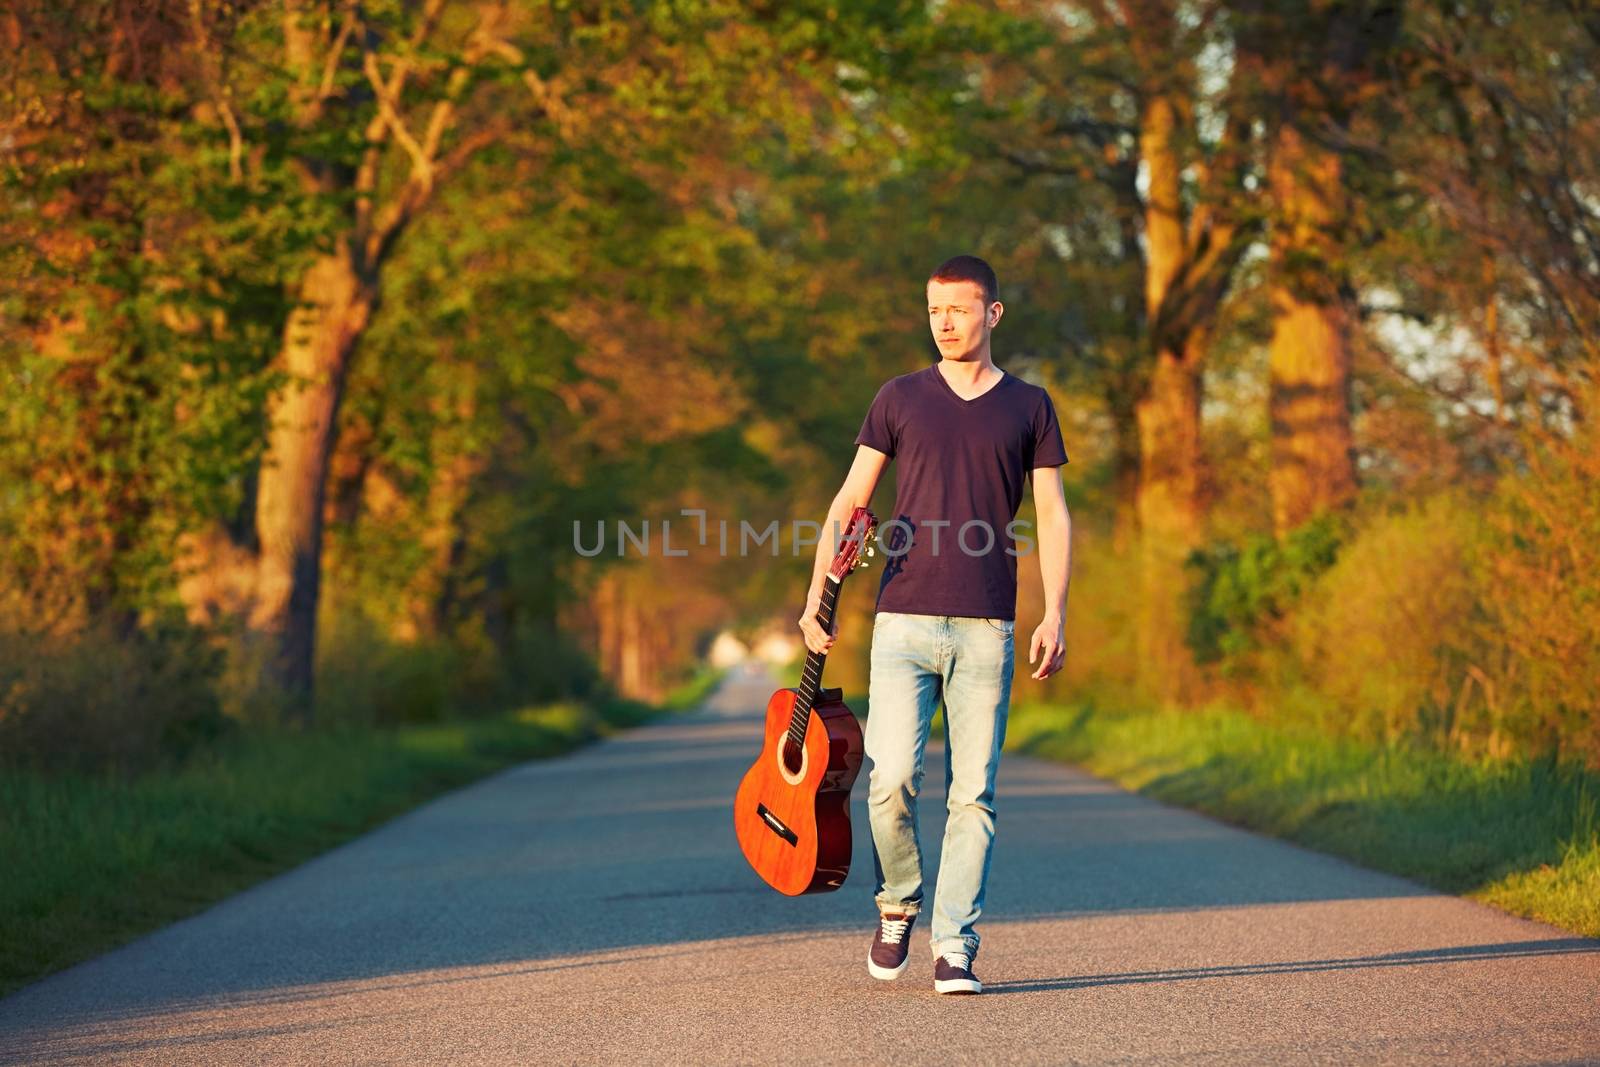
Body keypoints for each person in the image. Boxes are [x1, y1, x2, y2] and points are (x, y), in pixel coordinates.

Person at [798, 254, 1073, 995]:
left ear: (993, 314)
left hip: (988, 622)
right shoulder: (899, 398)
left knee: (973, 793)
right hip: (903, 620)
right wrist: (814, 594)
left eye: (960, 308)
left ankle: (955, 943)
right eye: (934, 310)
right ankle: (898, 904)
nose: (945, 322)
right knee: (888, 782)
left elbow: (1051, 510)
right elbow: (849, 501)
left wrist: (1055, 608)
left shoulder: (1030, 406)